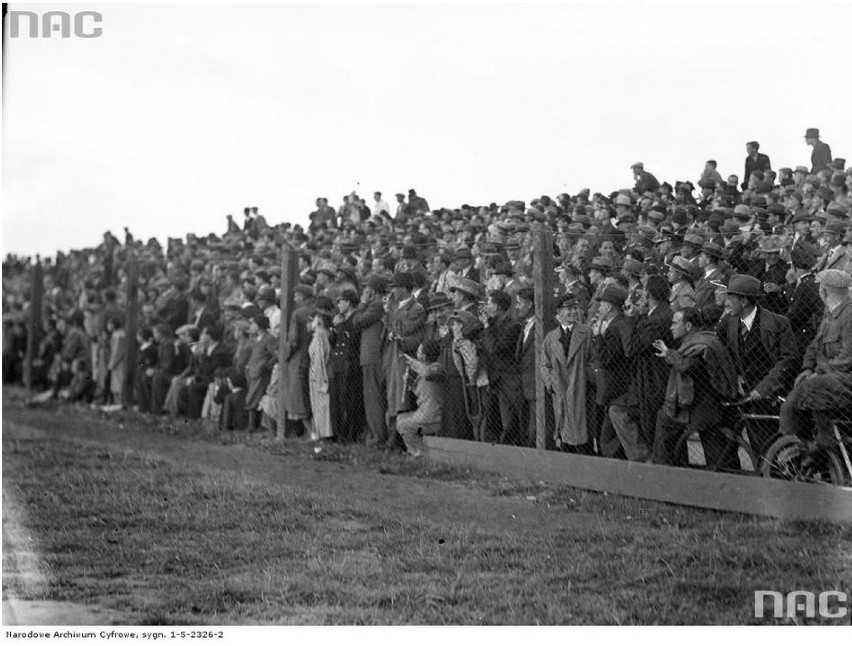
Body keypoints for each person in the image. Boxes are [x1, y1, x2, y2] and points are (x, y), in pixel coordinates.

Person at [716, 274, 798, 460]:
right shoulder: (729, 322)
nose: (727, 301)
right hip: (746, 393)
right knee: (758, 446)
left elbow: (788, 359)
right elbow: (722, 352)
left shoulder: (778, 323)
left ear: (744, 301)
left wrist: (763, 388)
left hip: (773, 395)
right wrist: (735, 377)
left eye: (731, 297)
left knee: (777, 447)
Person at [651, 308, 738, 467]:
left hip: (702, 410)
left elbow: (686, 367)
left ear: (689, 326)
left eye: (675, 323)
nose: (671, 327)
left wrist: (669, 354)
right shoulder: (705, 339)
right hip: (709, 405)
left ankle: (664, 473)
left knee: (664, 418)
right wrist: (669, 353)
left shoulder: (698, 344)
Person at [780, 269, 852, 448]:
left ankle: (821, 446)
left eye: (820, 286)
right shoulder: (829, 313)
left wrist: (819, 371)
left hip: (843, 378)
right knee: (789, 407)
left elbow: (847, 358)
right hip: (827, 375)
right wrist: (807, 368)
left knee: (811, 388)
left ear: (824, 292)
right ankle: (803, 448)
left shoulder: (848, 315)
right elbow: (814, 346)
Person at [541, 293, 594, 453]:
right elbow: (545, 364)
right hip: (560, 391)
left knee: (582, 433)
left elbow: (594, 359)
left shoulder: (586, 333)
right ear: (559, 312)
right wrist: (551, 384)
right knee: (564, 433)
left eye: (576, 308)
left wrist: (585, 377)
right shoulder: (551, 338)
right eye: (569, 308)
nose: (574, 311)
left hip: (581, 391)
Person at [480, 289, 524, 445]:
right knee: (492, 420)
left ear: (498, 306)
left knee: (509, 421)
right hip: (493, 380)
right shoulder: (491, 325)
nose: (486, 306)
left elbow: (494, 349)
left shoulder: (513, 327)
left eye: (489, 303)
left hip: (509, 381)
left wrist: (486, 326)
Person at [352, 275, 389, 446]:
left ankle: (377, 437)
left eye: (367, 288)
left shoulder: (376, 304)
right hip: (372, 356)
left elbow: (357, 321)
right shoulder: (379, 304)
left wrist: (362, 303)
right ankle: (376, 435)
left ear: (372, 290)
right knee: (373, 397)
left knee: (373, 398)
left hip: (372, 356)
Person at [397, 340, 444, 456]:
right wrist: (410, 384)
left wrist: (415, 364)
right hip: (425, 414)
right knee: (400, 418)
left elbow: (427, 373)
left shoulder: (436, 367)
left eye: (419, 351)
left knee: (403, 425)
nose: (417, 353)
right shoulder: (423, 373)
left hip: (433, 417)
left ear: (424, 355)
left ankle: (418, 452)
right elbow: (421, 392)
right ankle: (414, 450)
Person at [307, 309, 333, 442]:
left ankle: (323, 434)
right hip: (317, 374)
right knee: (319, 405)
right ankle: (321, 433)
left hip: (318, 375)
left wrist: (319, 377)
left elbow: (319, 359)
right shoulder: (321, 335)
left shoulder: (319, 335)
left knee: (321, 405)